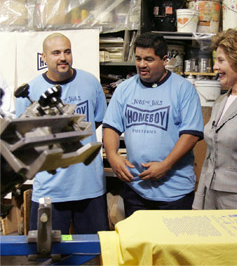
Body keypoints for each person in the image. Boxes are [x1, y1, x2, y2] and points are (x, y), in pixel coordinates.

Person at [16, 33, 109, 233]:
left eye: (67, 51)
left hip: (89, 186)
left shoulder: (91, 83)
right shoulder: (30, 91)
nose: (63, 57)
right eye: (56, 53)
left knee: (92, 254)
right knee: (46, 255)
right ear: (44, 57)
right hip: (49, 190)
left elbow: (98, 121)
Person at [103, 32, 204, 218]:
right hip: (136, 189)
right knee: (140, 246)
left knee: (173, 247)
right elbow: (111, 127)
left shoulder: (183, 89)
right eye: (139, 58)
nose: (142, 65)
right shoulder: (124, 89)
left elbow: (191, 134)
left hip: (175, 192)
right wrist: (112, 156)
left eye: (149, 59)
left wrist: (166, 165)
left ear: (164, 59)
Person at [192, 26, 237, 210]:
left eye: (220, 61)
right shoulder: (220, 101)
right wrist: (199, 200)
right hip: (210, 196)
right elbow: (210, 158)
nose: (215, 67)